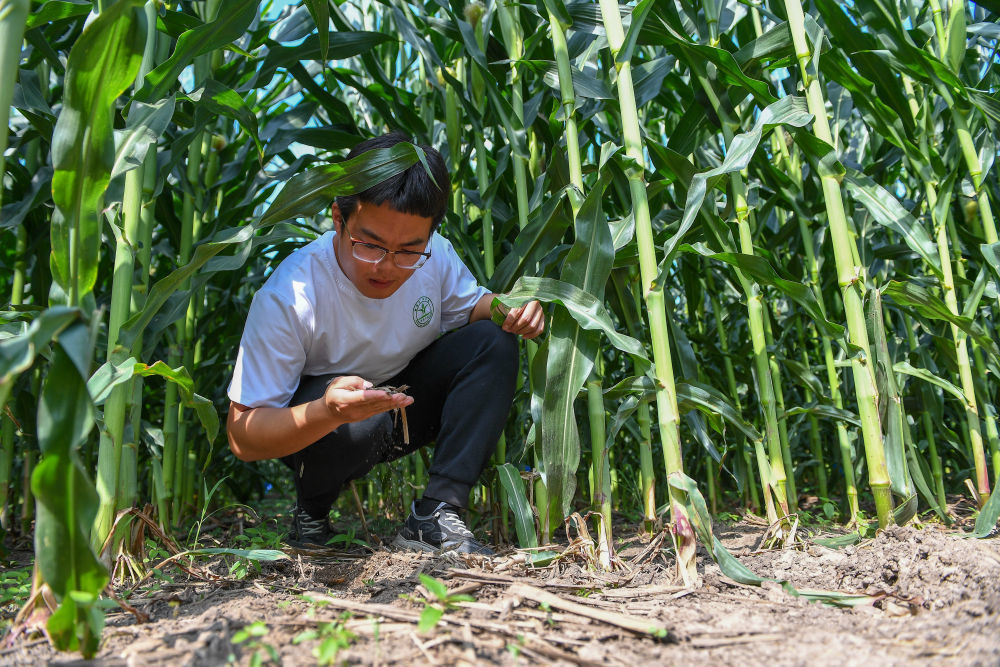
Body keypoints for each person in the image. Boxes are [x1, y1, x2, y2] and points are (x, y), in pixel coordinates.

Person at [226, 132, 544, 556]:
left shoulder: (438, 258)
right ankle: (312, 509)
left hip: (401, 410)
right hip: (321, 425)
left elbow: (477, 307)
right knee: (359, 424)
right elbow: (242, 435)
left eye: (409, 251)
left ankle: (436, 513)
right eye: (370, 245)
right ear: (338, 218)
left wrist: (513, 310)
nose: (387, 268)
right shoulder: (290, 295)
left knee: (493, 342)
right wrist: (326, 411)